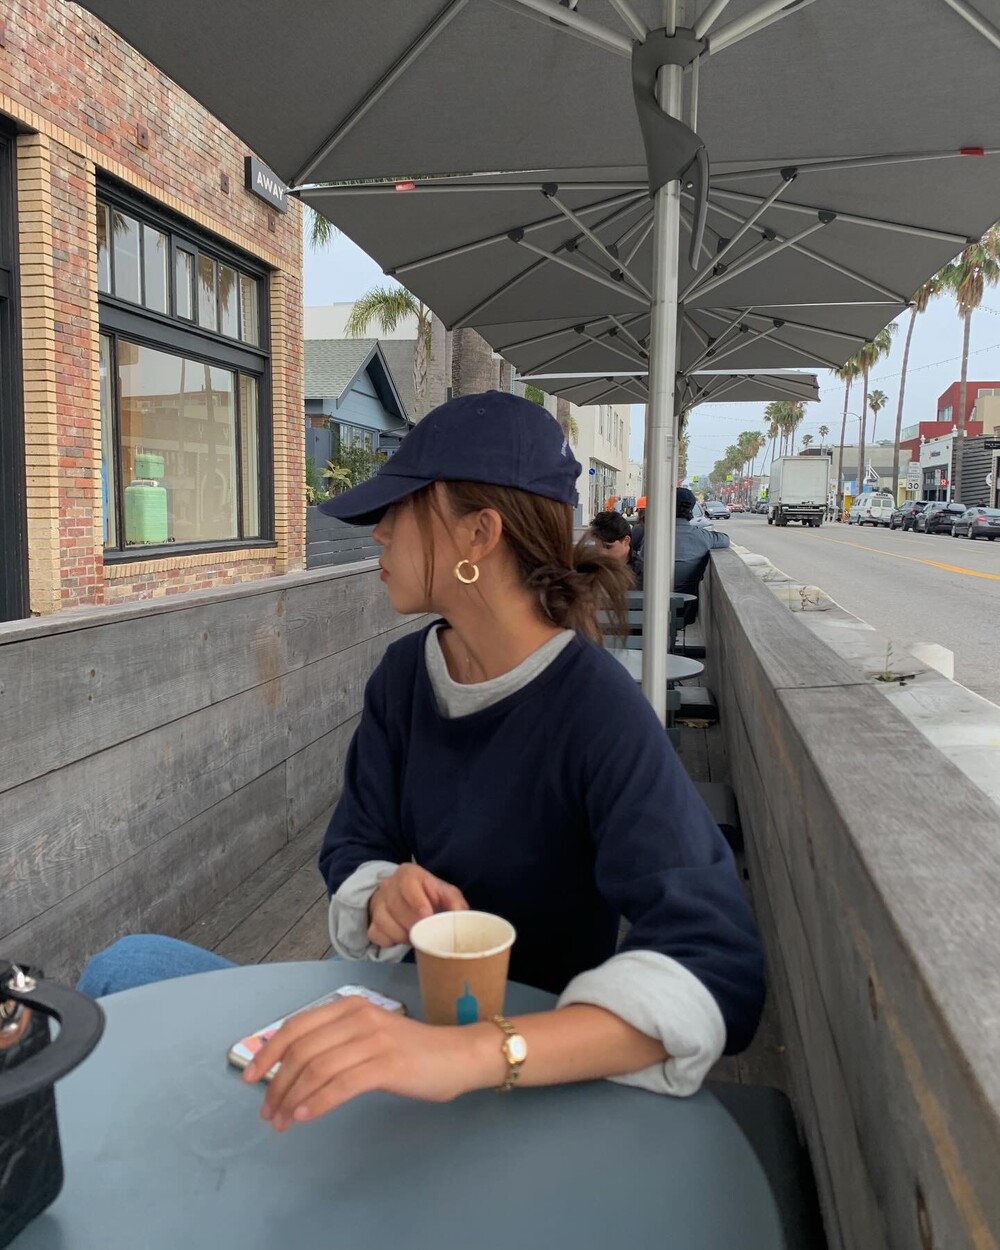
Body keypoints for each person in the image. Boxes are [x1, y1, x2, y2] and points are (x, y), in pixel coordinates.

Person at [78, 392, 763, 1131]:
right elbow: (354, 844)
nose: (377, 533)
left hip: (527, 1071)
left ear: (478, 534)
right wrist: (384, 893)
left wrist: (469, 1054)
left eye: (398, 509)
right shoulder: (404, 676)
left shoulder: (596, 708)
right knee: (128, 965)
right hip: (394, 1022)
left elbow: (718, 962)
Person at [675, 486, 731, 602]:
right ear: (691, 509)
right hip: (686, 604)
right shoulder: (703, 537)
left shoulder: (652, 536)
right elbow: (725, 539)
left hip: (647, 602)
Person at [588, 510, 642, 587]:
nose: (601, 553)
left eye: (608, 547)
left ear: (626, 541)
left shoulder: (644, 575)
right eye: (597, 546)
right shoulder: (589, 568)